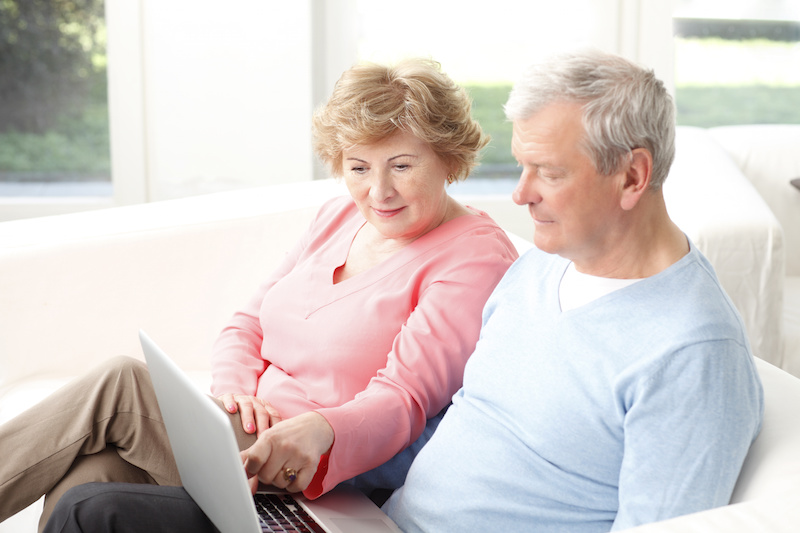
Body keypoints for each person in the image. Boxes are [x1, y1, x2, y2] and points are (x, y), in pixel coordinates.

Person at [0, 58, 519, 532]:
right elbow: (246, 324)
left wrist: (319, 431)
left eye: (401, 166)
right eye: (359, 168)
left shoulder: (472, 258)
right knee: (90, 473)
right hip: (239, 427)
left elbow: (403, 401)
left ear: (450, 159)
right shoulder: (340, 217)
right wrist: (233, 392)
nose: (378, 191)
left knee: (118, 385)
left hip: (301, 455)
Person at [382, 48, 764, 532]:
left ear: (632, 176)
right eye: (522, 167)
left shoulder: (693, 352)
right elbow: (463, 422)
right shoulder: (544, 264)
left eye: (549, 172)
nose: (521, 194)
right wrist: (324, 461)